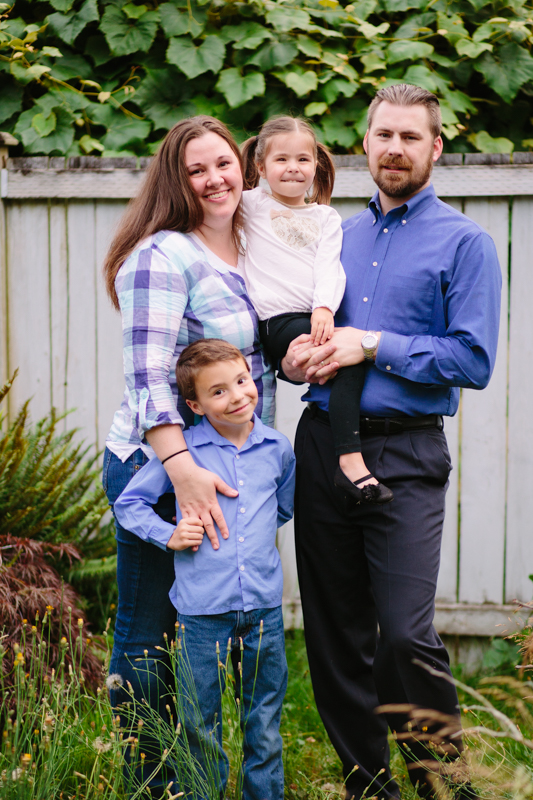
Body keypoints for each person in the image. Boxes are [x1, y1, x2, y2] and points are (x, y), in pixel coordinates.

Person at [282, 85, 502, 800]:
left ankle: (444, 786)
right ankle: (365, 785)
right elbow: (290, 328)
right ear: (363, 143)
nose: (395, 149)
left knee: (405, 634)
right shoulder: (329, 236)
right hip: (322, 445)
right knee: (335, 633)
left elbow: (471, 360)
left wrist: (372, 343)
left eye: (411, 137)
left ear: (435, 148)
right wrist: (294, 354)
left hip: (406, 454)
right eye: (383, 135)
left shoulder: (465, 243)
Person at [101, 117, 275, 797]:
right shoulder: (163, 255)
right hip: (160, 462)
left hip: (228, 462)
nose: (214, 180)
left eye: (223, 163)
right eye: (196, 170)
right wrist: (182, 470)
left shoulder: (254, 246)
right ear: (176, 181)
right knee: (149, 626)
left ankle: (202, 772)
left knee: (199, 626)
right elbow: (147, 374)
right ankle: (152, 781)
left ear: (242, 165)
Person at [114, 338, 296, 800]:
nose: (237, 395)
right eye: (219, 391)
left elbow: (282, 507)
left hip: (263, 610)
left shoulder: (278, 448)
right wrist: (168, 535)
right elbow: (129, 504)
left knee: (265, 724)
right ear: (194, 404)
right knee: (200, 723)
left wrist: (246, 537)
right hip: (200, 615)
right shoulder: (184, 456)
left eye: (242, 381)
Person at [240, 115, 392, 504]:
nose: (293, 168)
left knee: (349, 357)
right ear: (260, 168)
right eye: (281, 160)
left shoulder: (325, 217)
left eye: (303, 160)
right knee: (341, 357)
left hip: (312, 314)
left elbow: (330, 268)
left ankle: (346, 456)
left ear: (315, 166)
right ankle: (351, 459)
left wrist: (324, 307)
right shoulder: (248, 205)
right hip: (273, 321)